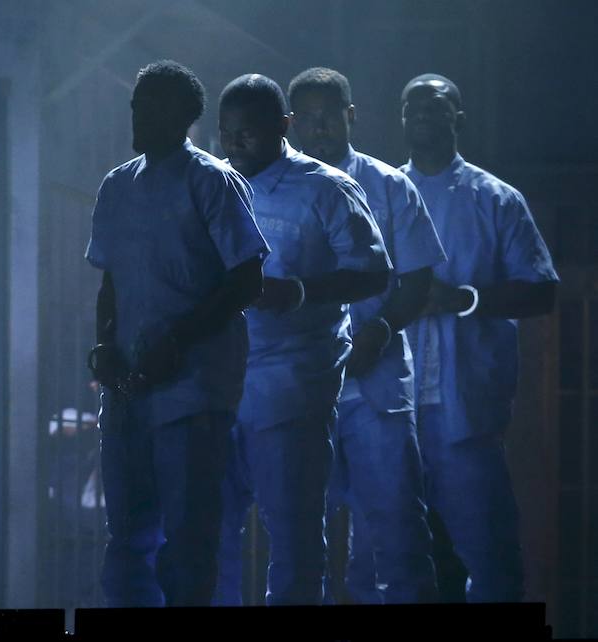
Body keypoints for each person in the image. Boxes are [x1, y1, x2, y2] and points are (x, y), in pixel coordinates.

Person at [85, 60, 269, 607]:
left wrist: (177, 340)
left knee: (189, 544)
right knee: (126, 539)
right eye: (136, 105)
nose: (139, 115)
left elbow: (247, 280)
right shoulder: (118, 185)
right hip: (129, 391)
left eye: (152, 106)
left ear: (185, 116)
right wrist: (104, 345)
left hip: (192, 391)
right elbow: (110, 283)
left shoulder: (212, 181)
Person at [213, 74, 390, 606]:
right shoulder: (213, 184)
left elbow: (373, 274)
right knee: (211, 536)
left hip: (293, 387)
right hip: (218, 388)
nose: (236, 144)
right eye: (228, 133)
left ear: (283, 127)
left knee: (292, 541)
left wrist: (297, 291)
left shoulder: (326, 188)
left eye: (249, 133)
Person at [394, 73, 558, 602]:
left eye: (435, 104)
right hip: (391, 414)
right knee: (398, 562)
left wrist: (463, 299)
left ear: (458, 116)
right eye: (411, 105)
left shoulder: (496, 200)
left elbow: (541, 292)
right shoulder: (381, 194)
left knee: (490, 563)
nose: (422, 113)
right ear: (400, 118)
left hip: (465, 412)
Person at [288, 67, 445, 604]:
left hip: (375, 389)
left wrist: (377, 331)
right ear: (290, 124)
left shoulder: (388, 185)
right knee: (302, 535)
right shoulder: (271, 191)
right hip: (302, 391)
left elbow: (420, 278)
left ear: (350, 115)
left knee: (398, 529)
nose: (319, 129)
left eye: (329, 116)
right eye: (307, 119)